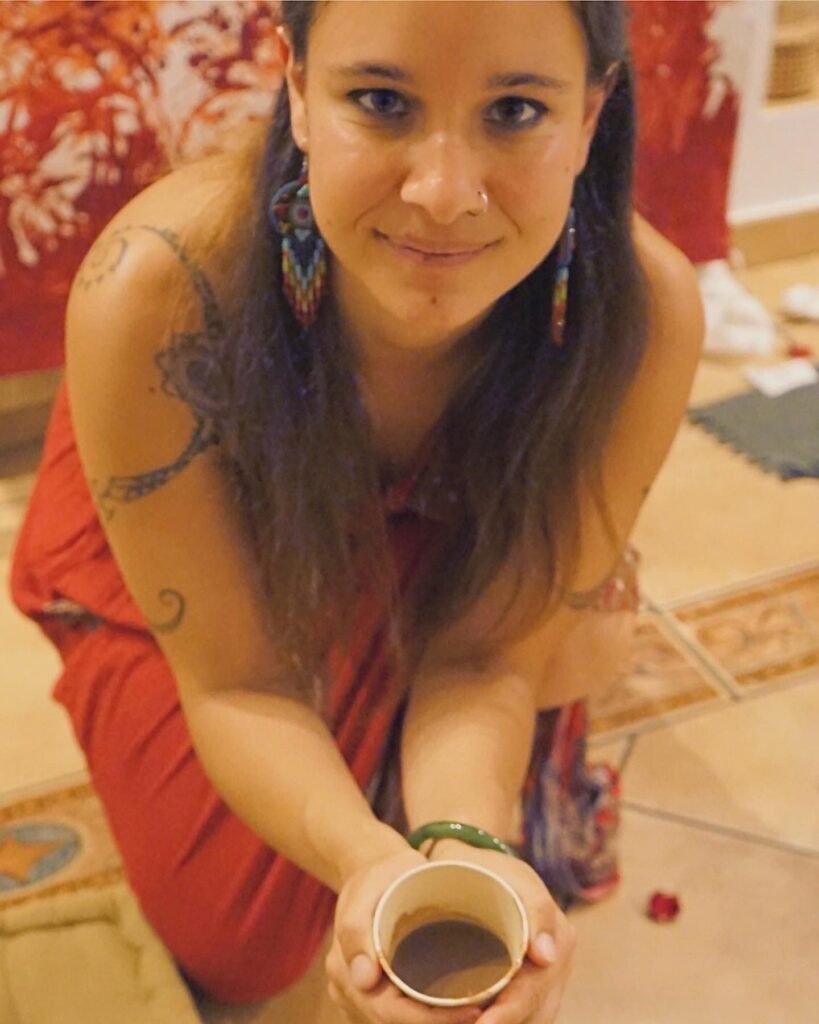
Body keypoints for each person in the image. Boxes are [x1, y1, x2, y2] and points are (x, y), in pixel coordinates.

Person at [9, 2, 703, 1021]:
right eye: (380, 101)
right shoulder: (158, 292)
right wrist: (362, 854)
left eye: (515, 111)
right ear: (295, 86)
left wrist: (464, 845)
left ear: (592, 115)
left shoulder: (645, 313)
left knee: (573, 640)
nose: (443, 194)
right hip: (209, 546)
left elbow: (487, 657)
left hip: (450, 542)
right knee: (240, 940)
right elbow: (237, 678)